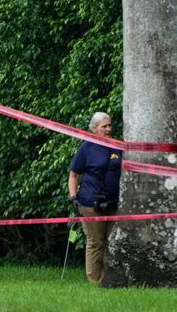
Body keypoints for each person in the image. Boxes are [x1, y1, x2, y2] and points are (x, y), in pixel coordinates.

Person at [68, 112, 122, 285]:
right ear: (94, 129)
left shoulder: (117, 145)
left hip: (113, 202)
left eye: (109, 125)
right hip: (91, 202)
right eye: (104, 126)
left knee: (111, 241)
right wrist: (73, 197)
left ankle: (109, 278)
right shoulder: (86, 147)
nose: (108, 129)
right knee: (96, 242)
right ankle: (95, 281)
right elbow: (73, 175)